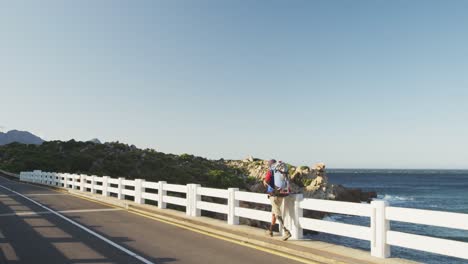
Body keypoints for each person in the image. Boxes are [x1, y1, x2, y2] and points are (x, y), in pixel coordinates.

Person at [263, 159, 292, 241]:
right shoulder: (281, 170)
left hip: (273, 195)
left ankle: (286, 232)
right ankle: (270, 230)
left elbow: (266, 180)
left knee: (277, 213)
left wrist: (264, 182)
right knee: (274, 212)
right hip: (281, 194)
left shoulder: (271, 170)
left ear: (270, 164)